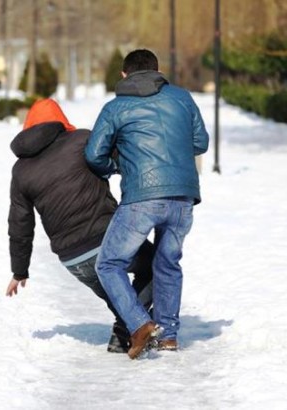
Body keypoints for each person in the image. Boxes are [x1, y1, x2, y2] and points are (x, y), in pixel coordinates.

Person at [84, 49, 209, 359]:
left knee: (109, 264)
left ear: (124, 74)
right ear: (157, 71)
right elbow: (200, 142)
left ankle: (139, 324)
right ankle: (168, 336)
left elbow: (93, 154)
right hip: (183, 196)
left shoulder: (115, 108)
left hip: (142, 196)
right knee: (168, 263)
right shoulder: (182, 98)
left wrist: (117, 165)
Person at [6, 98, 154, 353]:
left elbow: (20, 224)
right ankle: (126, 329)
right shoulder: (82, 140)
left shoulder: (20, 171)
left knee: (120, 298)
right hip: (109, 239)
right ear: (61, 120)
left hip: (72, 258)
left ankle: (125, 333)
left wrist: (19, 271)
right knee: (157, 265)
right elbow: (123, 159)